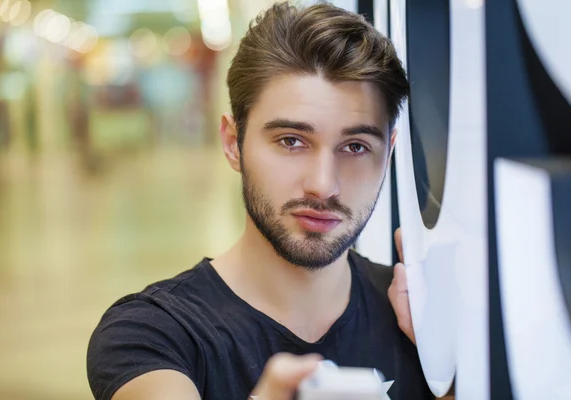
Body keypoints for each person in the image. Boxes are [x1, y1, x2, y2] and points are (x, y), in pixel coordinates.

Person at [87, 2, 433, 399]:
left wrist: (448, 375)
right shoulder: (154, 334)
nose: (323, 185)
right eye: (291, 141)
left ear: (387, 154)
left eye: (354, 147)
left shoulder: (417, 318)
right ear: (234, 143)